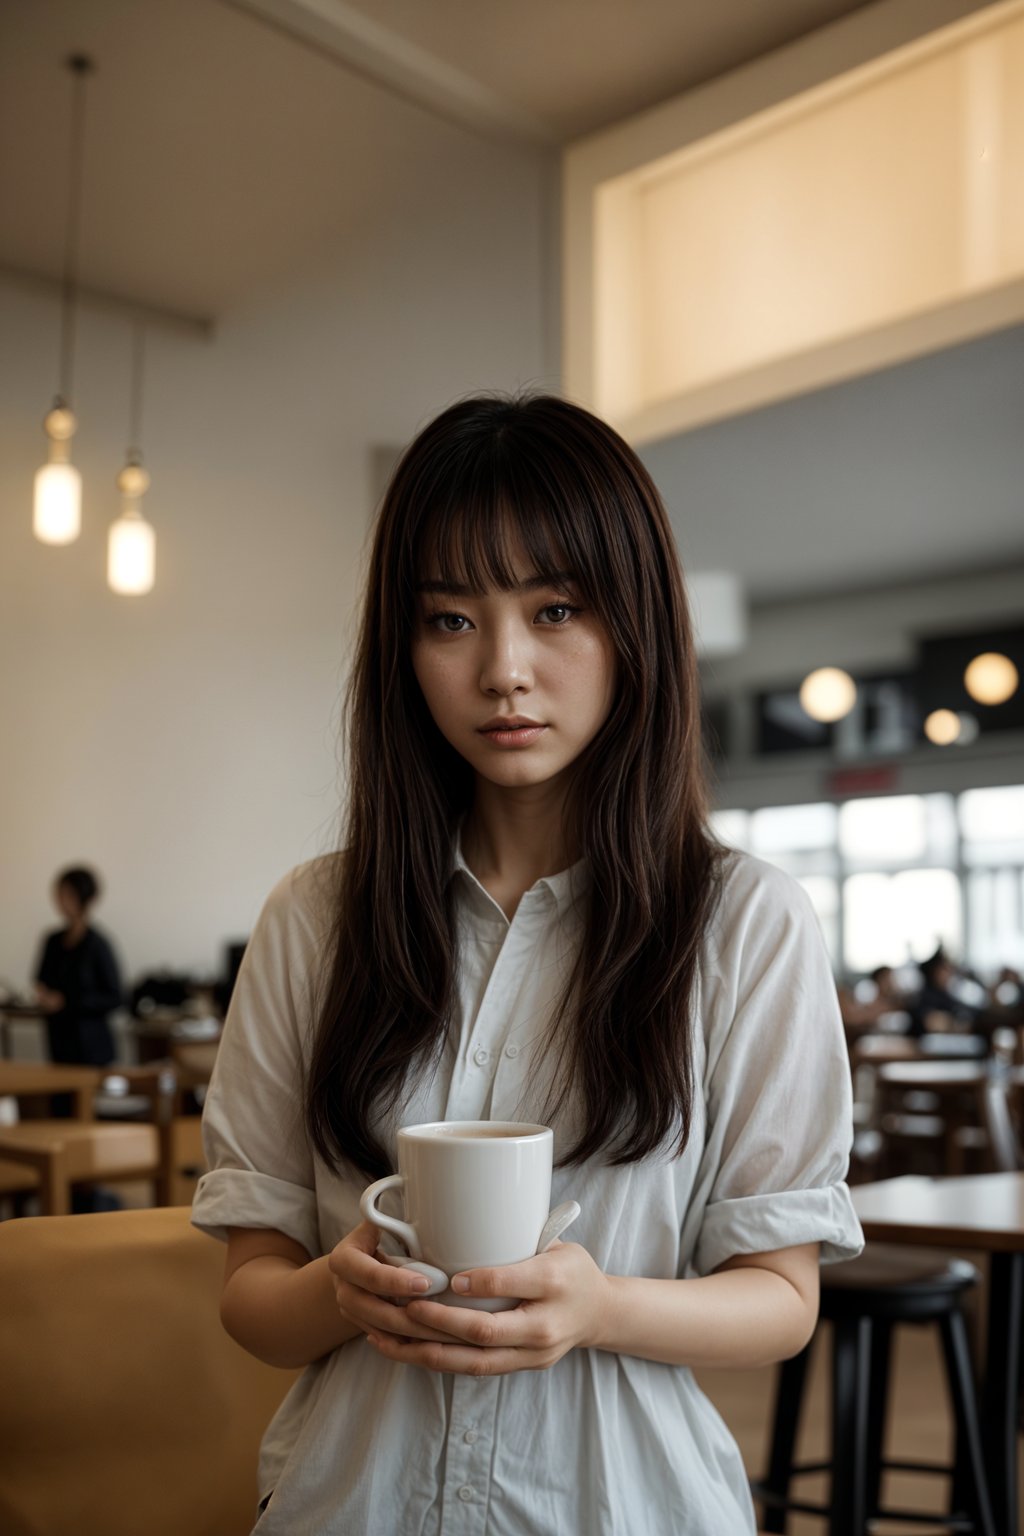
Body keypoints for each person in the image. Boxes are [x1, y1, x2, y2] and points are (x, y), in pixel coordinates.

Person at [191, 393, 863, 1536]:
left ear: (634, 625)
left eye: (555, 610)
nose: (503, 669)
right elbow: (255, 1303)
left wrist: (597, 1308)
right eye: (450, 620)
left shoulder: (743, 923)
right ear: (402, 649)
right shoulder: (315, 920)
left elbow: (779, 1300)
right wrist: (338, 1289)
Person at [33, 865, 123, 1066]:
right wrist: (43, 995)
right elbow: (41, 980)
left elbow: (115, 996)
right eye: (59, 894)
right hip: (59, 1041)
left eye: (68, 894)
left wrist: (67, 1002)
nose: (61, 901)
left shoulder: (98, 944)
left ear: (83, 898)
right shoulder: (53, 941)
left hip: (90, 1044)